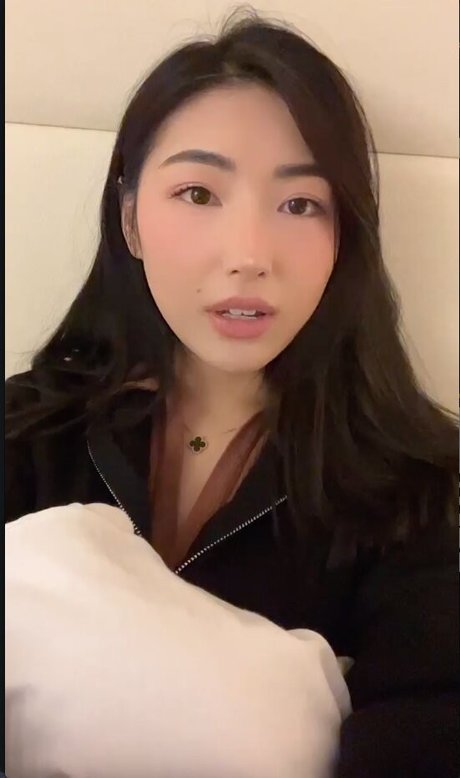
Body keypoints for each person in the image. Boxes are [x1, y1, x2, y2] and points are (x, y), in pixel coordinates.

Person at [5, 8, 458, 777]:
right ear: (130, 219)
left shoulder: (413, 490)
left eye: (300, 204)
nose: (249, 255)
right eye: (198, 193)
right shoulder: (28, 429)